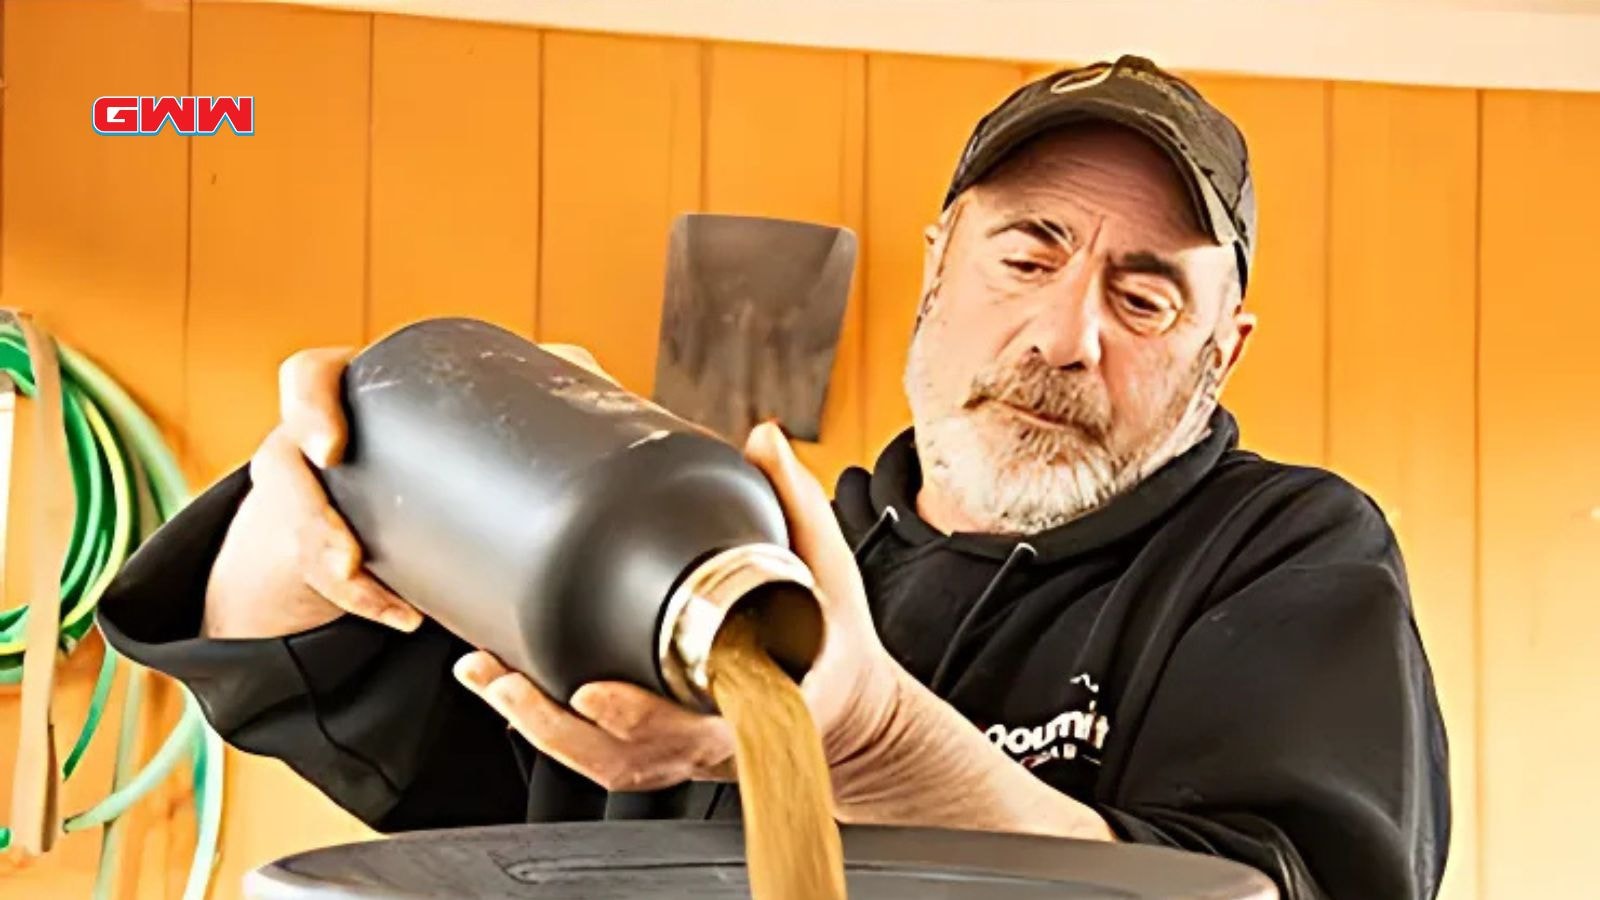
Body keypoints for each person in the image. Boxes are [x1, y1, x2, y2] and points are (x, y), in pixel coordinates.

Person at [98, 55, 1449, 898]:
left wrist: (861, 733)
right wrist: (309, 512)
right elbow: (318, 693)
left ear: (1226, 347)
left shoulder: (1283, 554)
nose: (1065, 336)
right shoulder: (745, 552)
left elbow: (1265, 898)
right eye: (1026, 256)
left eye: (1146, 295)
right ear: (936, 271)